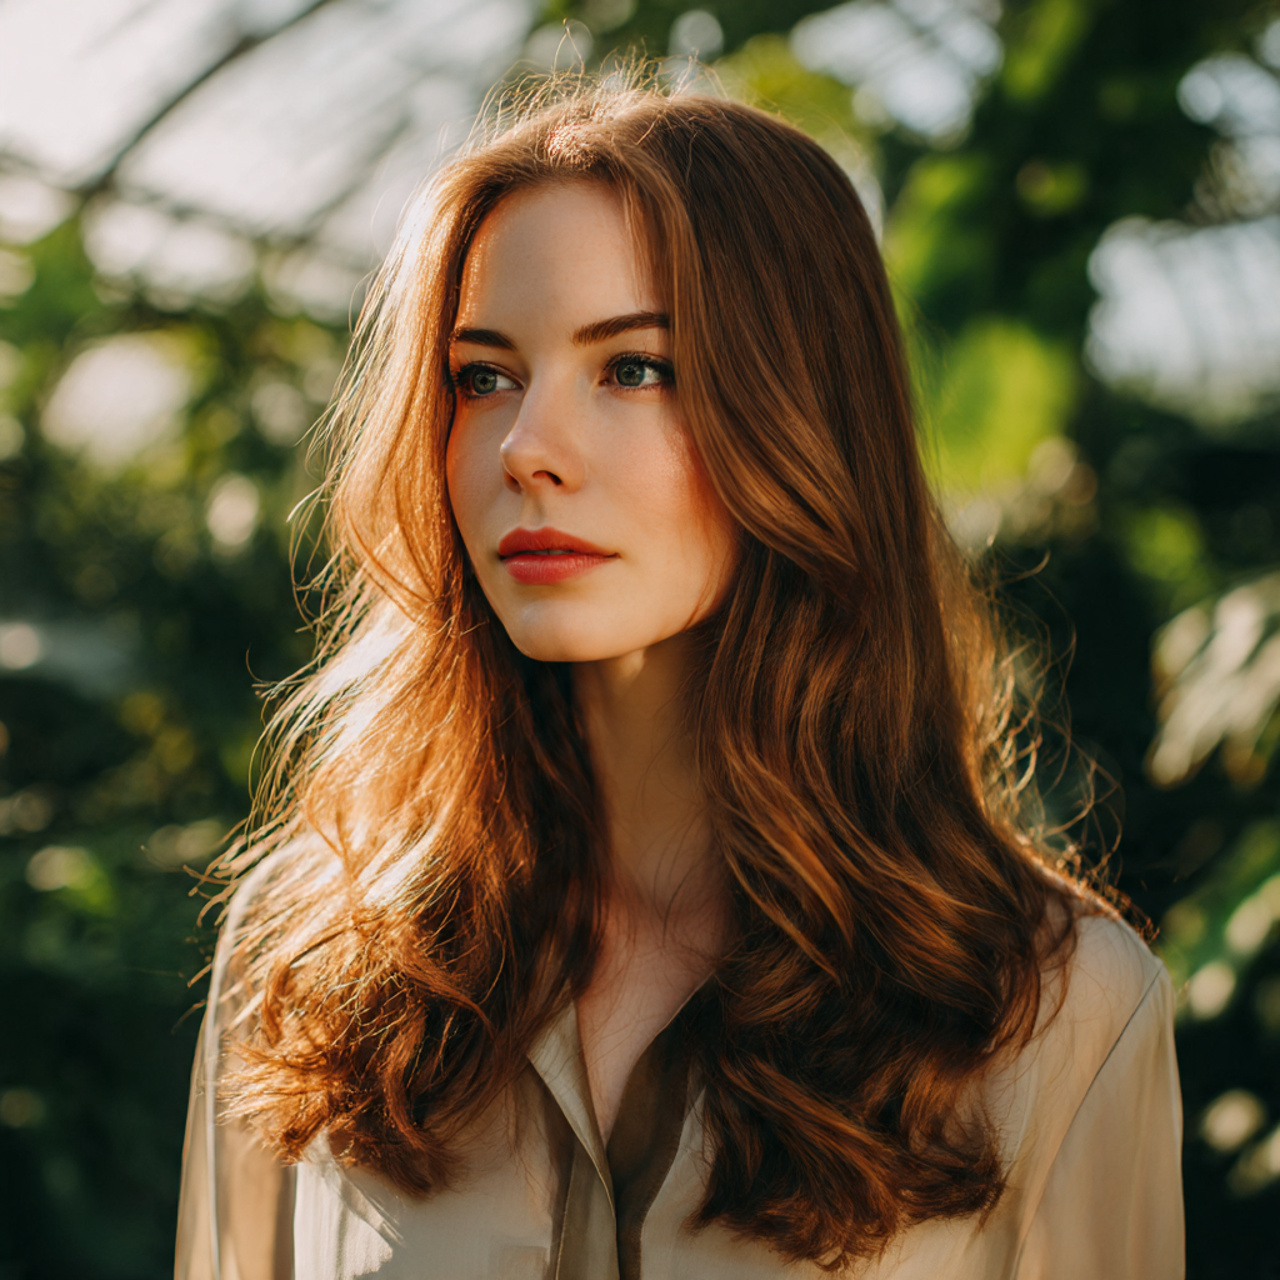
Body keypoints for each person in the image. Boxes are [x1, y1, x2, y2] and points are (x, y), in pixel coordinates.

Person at [175, 78, 1183, 1280]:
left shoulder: (1055, 1012)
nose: (526, 449)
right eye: (481, 376)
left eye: (635, 369)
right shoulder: (309, 958)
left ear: (802, 417)